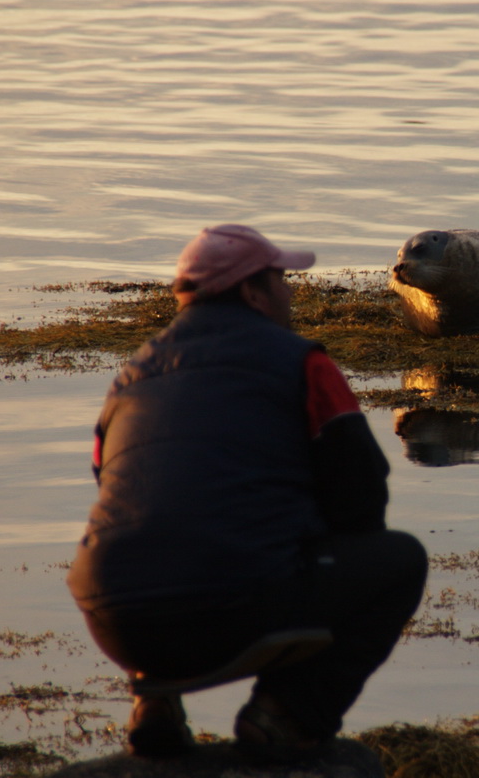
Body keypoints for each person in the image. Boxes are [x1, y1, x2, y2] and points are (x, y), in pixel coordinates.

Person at [67, 224, 428, 761]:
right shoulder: (303, 362)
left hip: (112, 619)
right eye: (283, 279)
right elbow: (362, 495)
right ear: (253, 292)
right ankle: (285, 714)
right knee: (398, 560)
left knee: (159, 538)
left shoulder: (130, 377)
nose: (290, 291)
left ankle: (155, 701)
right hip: (228, 608)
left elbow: (115, 486)